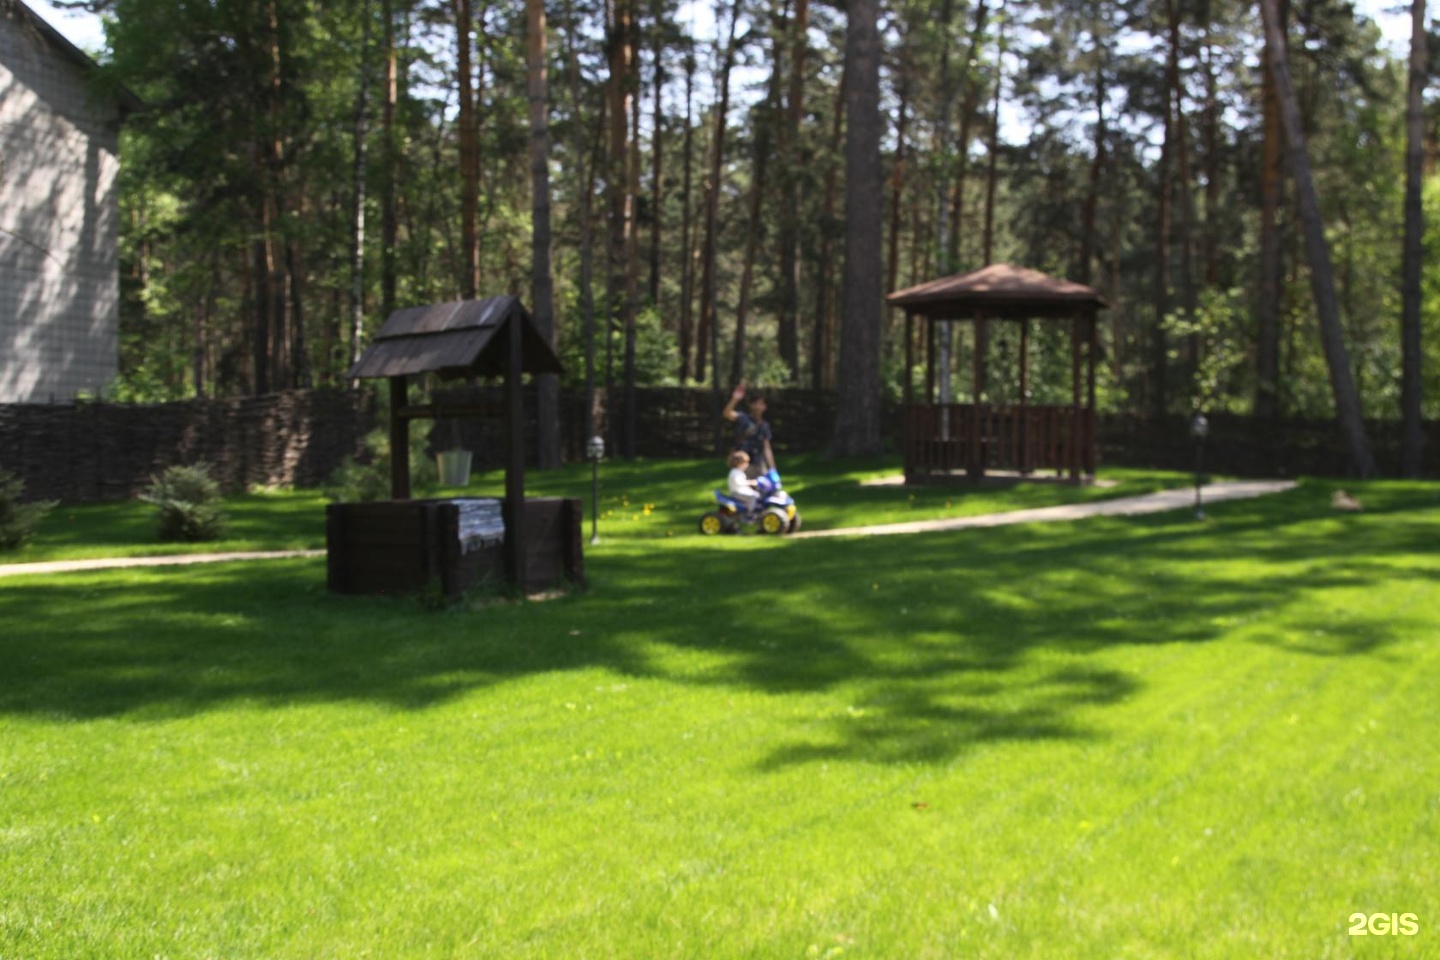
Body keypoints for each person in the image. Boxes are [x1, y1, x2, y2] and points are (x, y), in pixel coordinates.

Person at [721, 383, 774, 479]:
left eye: (762, 404)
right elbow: (727, 413)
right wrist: (735, 399)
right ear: (751, 405)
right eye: (758, 403)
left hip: (758, 462)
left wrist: (772, 469)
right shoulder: (743, 418)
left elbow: (767, 448)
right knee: (742, 488)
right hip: (741, 461)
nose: (760, 406)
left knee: (761, 488)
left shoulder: (764, 425)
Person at [726, 450, 759, 515]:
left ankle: (754, 508)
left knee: (757, 493)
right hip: (736, 493)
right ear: (739, 463)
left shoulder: (739, 471)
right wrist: (750, 482)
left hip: (741, 491)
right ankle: (750, 512)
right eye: (746, 463)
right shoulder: (735, 472)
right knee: (754, 496)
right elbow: (739, 482)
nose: (747, 465)